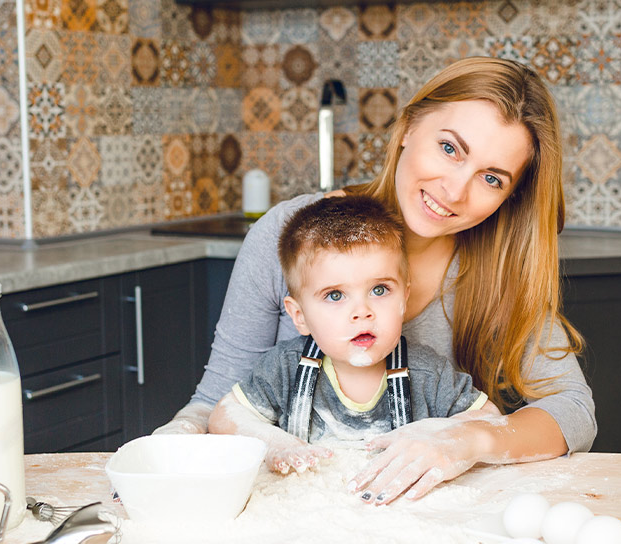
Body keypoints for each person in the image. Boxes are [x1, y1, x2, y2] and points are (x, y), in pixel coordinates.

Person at [157, 56, 596, 503]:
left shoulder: (497, 274)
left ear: (508, 197)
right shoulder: (291, 234)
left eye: (491, 178)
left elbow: (573, 411)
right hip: (292, 507)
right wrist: (173, 443)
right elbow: (216, 401)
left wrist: (470, 441)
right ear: (407, 127)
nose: (455, 191)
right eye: (449, 148)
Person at [208, 195, 502, 491]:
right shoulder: (285, 369)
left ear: (404, 297)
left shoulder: (428, 376)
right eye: (335, 295)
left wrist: (437, 434)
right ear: (300, 316)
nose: (362, 311)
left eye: (379, 289)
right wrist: (275, 445)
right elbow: (224, 416)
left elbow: (489, 419)